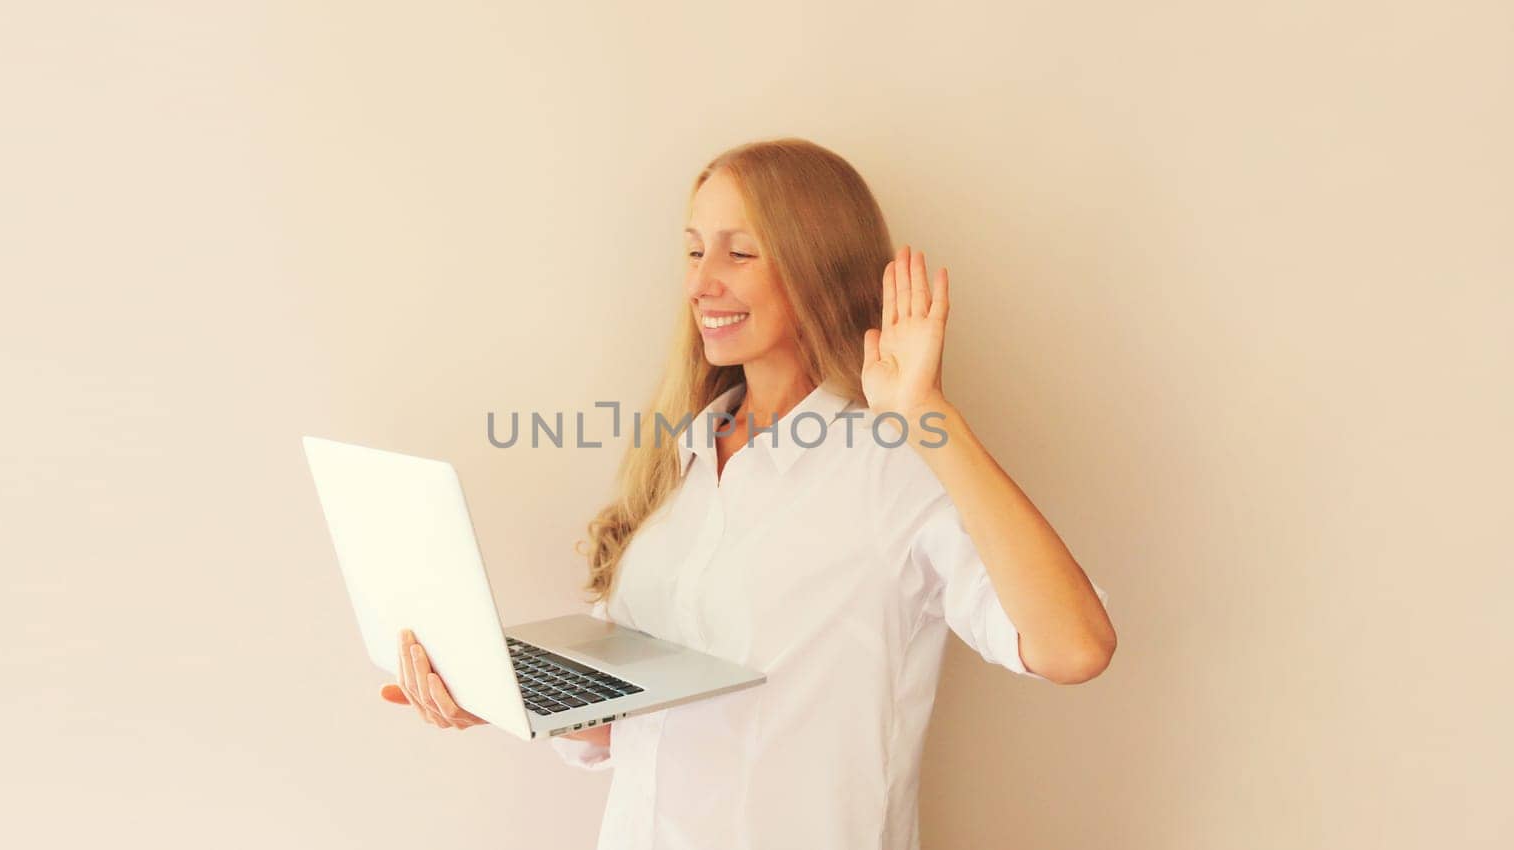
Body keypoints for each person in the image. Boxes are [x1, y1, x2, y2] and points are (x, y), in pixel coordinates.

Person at [381, 137, 1116, 849]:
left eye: (739, 251)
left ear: (814, 266)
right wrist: (497, 692)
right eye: (695, 250)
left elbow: (1074, 648)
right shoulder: (677, 463)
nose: (702, 282)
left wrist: (930, 417)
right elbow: (635, 725)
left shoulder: (895, 467)